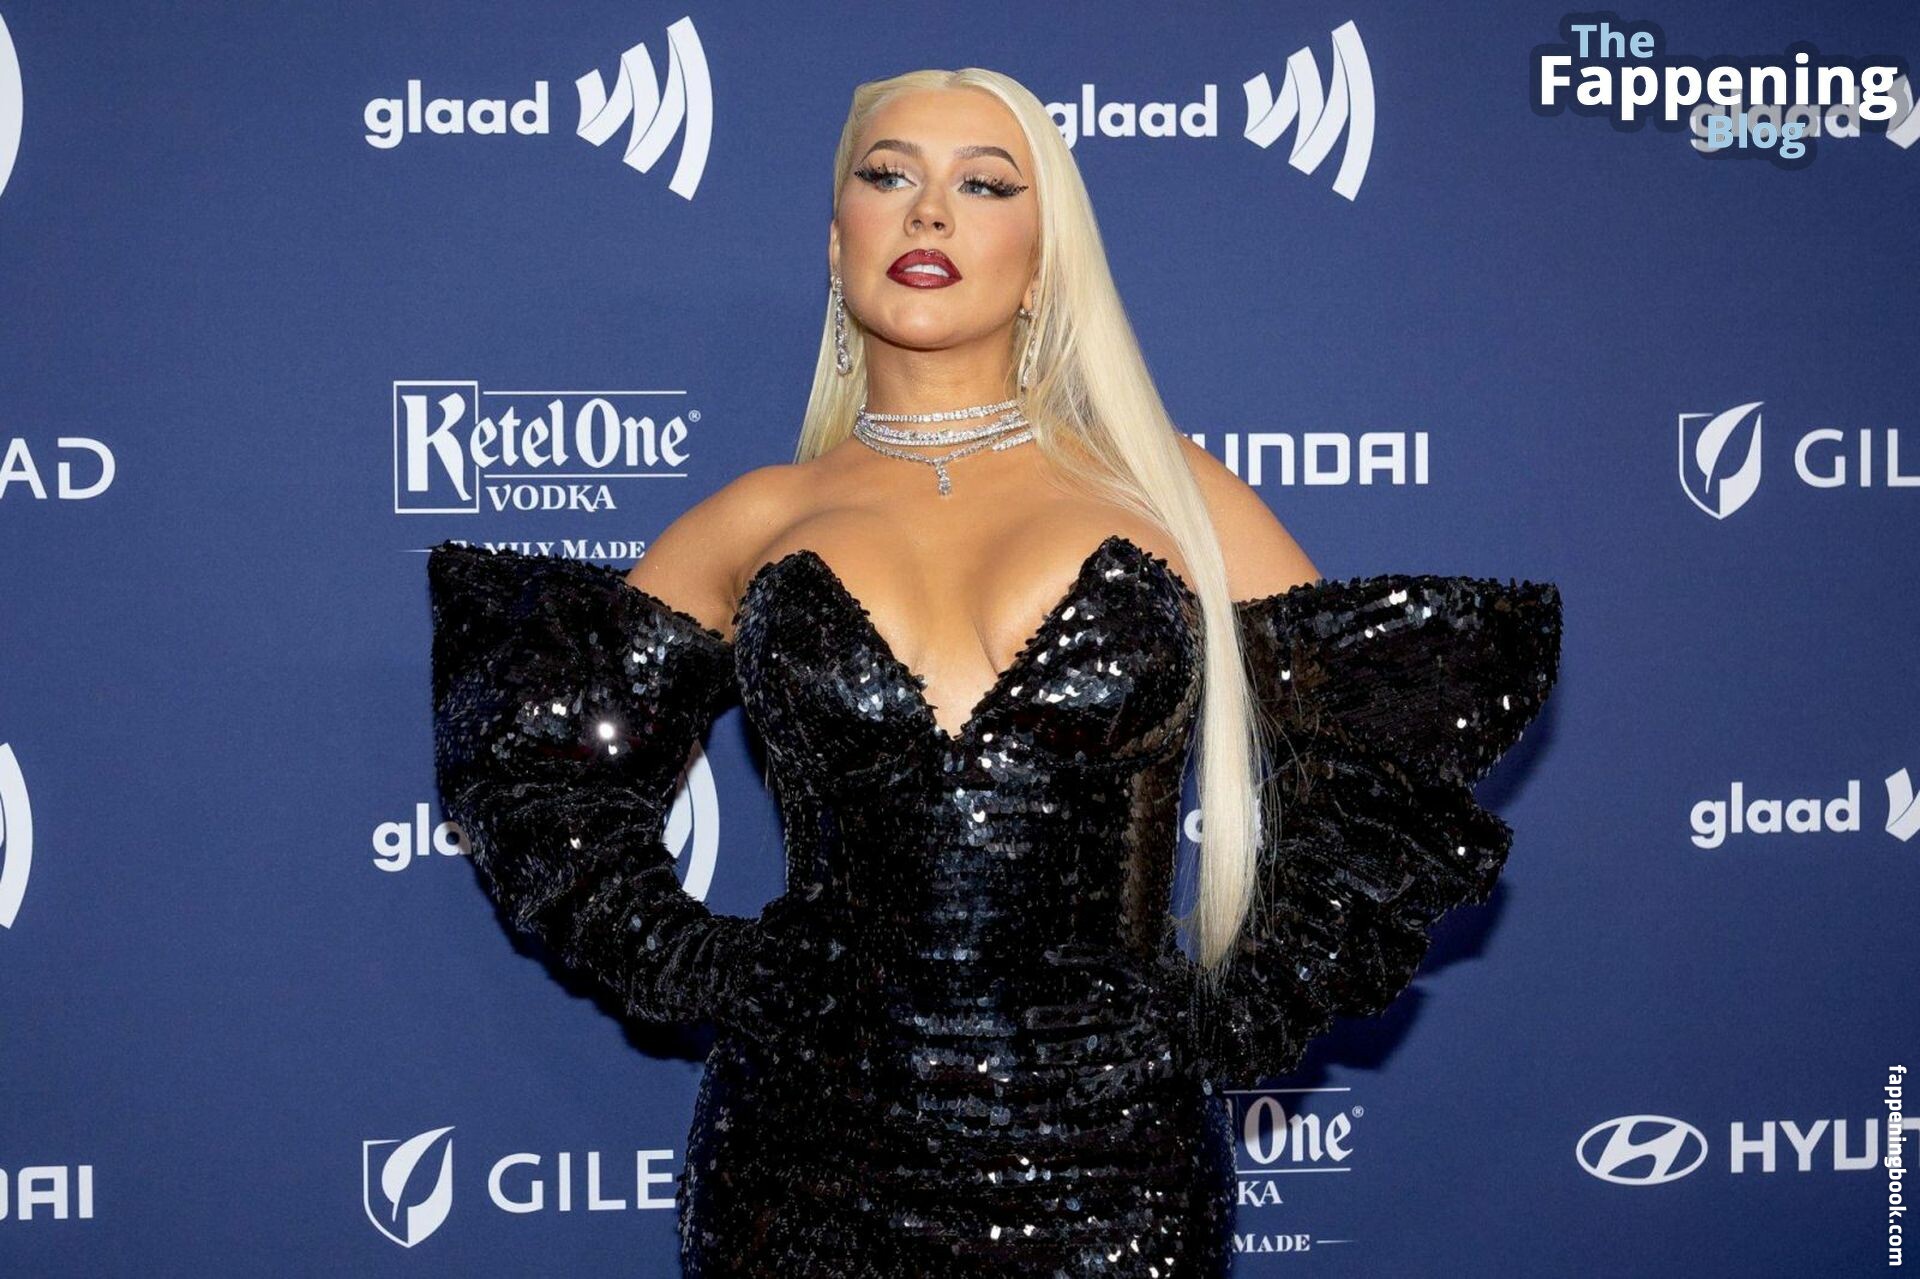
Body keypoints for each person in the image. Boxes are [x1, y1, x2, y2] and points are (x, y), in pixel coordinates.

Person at [427, 67, 1563, 1278]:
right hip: (800, 1169)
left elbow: (1375, 765)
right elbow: (537, 775)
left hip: (1113, 1173)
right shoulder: (757, 520)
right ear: (836, 242)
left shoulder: (1169, 494)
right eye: (888, 175)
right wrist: (719, 968)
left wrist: (1226, 1011)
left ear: (1043, 259)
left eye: (983, 184)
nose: (928, 210)